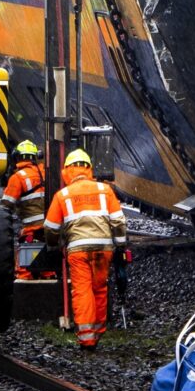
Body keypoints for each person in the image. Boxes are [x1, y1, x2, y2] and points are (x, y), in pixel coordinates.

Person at [42, 148, 128, 349]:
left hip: (77, 251)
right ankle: (97, 332)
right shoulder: (105, 190)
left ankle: (87, 338)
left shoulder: (63, 195)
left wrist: (53, 244)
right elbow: (118, 221)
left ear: (67, 171)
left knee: (82, 290)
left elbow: (50, 227)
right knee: (99, 288)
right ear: (89, 169)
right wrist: (120, 245)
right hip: (103, 249)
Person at [3, 141, 47, 280]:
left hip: (31, 229)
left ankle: (25, 285)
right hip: (50, 228)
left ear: (17, 157)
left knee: (25, 264)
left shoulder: (17, 177)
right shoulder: (46, 173)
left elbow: (6, 204)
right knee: (48, 265)